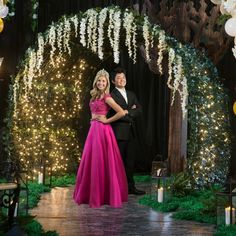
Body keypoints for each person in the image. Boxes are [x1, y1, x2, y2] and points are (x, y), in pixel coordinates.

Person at [73, 69, 128, 208]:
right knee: (93, 161)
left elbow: (121, 112)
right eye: (99, 80)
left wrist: (107, 121)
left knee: (102, 161)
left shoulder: (107, 97)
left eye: (104, 81)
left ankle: (103, 195)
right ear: (96, 82)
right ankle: (91, 194)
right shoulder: (94, 96)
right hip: (93, 130)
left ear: (107, 83)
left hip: (103, 131)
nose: (101, 83)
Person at [110, 67, 145, 195]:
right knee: (117, 162)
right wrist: (130, 111)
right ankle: (116, 188)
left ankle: (131, 187)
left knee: (130, 162)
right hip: (119, 133)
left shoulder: (131, 94)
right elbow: (114, 113)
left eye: (123, 77)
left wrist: (127, 112)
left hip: (131, 132)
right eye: (118, 78)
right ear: (113, 81)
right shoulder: (111, 95)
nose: (122, 80)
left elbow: (139, 110)